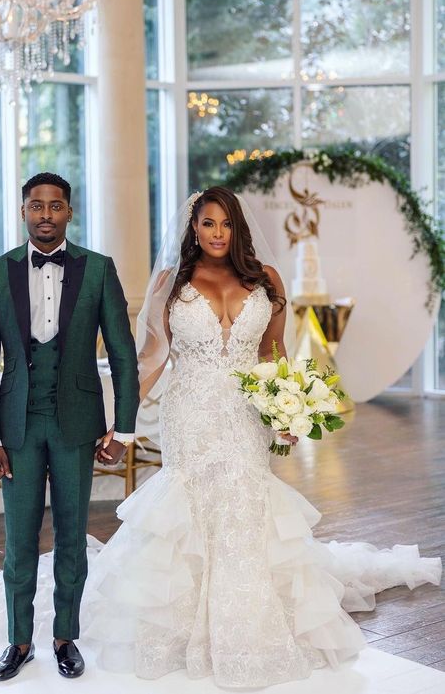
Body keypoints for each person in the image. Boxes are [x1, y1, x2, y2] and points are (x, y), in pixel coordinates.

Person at [78, 186, 442, 689]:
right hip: (192, 412)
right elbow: (151, 360)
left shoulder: (266, 280)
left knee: (246, 506)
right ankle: (180, 627)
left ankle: (247, 625)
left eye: (226, 224)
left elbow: (274, 354)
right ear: (193, 228)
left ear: (239, 228)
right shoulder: (170, 282)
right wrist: (121, 426)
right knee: (191, 503)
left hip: (245, 413)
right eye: (207, 224)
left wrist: (284, 413)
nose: (218, 234)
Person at [0, 172, 139, 681]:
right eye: (37, 206)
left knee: (71, 535)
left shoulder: (99, 270)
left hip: (77, 424)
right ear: (23, 211)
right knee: (19, 540)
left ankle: (66, 637)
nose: (46, 214)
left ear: (70, 211)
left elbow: (123, 353)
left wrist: (123, 427)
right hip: (17, 426)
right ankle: (18, 642)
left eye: (56, 206)